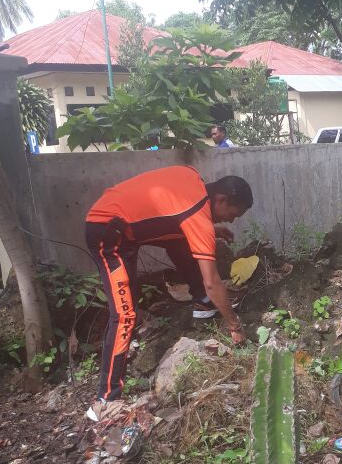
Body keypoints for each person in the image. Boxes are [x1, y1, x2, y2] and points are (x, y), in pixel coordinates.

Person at [85, 167, 252, 417]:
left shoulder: (192, 178)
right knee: (124, 316)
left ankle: (204, 304)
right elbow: (213, 281)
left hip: (122, 225)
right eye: (233, 213)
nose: (232, 220)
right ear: (221, 200)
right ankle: (105, 401)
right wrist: (235, 326)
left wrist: (211, 229)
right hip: (106, 230)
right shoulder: (196, 215)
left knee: (182, 239)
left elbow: (167, 212)